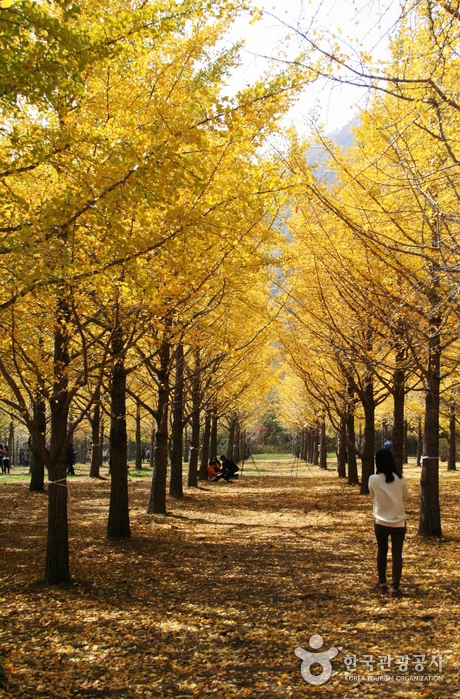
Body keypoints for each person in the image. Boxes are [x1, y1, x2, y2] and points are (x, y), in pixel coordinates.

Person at [369, 448, 409, 598]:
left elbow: (372, 494)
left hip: (381, 522)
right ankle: (396, 587)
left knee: (382, 551)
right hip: (399, 522)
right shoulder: (400, 479)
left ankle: (382, 582)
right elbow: (406, 497)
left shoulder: (373, 479)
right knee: (397, 554)